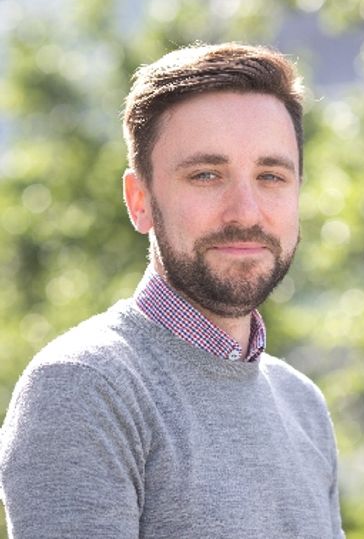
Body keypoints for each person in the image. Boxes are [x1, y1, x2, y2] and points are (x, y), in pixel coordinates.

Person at [0, 42, 344, 538]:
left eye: (271, 176)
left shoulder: (302, 405)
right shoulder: (84, 387)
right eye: (207, 175)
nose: (245, 211)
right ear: (140, 201)